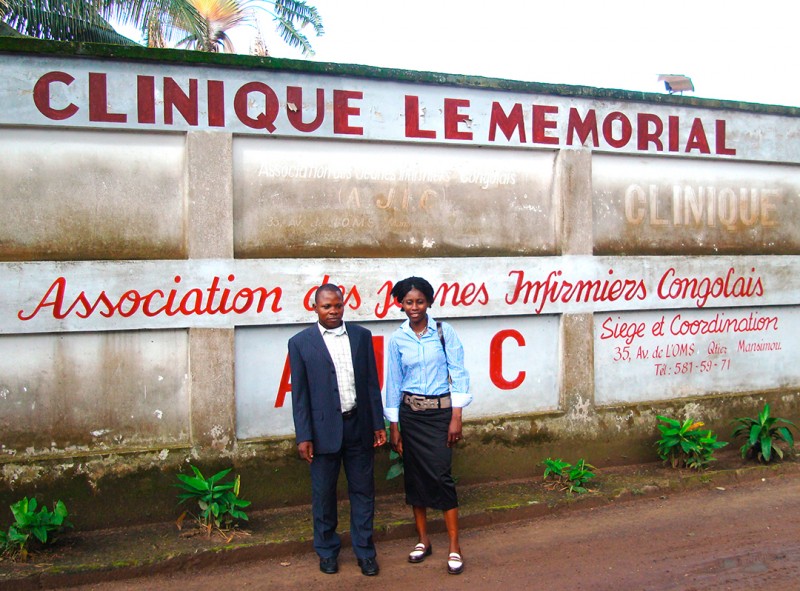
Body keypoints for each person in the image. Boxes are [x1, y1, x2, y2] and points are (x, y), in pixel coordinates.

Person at [288, 283, 386, 576]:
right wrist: (303, 436)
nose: (333, 311)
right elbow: (300, 395)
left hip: (358, 426)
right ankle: (327, 551)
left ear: (344, 305)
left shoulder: (361, 336)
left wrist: (377, 424)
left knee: (363, 492)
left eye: (337, 305)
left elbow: (370, 384)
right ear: (315, 308)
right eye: (326, 306)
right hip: (321, 433)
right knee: (323, 495)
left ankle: (365, 552)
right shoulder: (300, 342)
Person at [385, 276, 471, 575]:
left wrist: (456, 417)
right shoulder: (397, 339)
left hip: (439, 415)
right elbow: (394, 383)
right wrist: (394, 425)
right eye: (408, 302)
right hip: (410, 416)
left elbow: (459, 374)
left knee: (441, 475)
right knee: (415, 477)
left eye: (419, 301)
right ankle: (423, 540)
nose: (414, 307)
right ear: (401, 304)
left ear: (429, 302)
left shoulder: (444, 333)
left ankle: (454, 545)